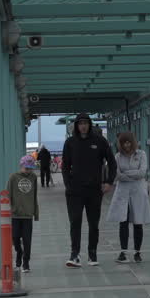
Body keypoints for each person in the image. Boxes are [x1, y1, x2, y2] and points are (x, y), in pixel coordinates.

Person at [61, 112, 117, 267]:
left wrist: (108, 182)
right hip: (75, 191)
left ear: (89, 125)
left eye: (85, 123)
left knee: (93, 224)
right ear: (76, 126)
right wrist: (68, 184)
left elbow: (112, 163)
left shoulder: (100, 141)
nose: (83, 126)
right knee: (75, 222)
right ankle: (75, 255)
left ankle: (92, 254)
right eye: (80, 123)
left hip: (94, 190)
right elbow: (65, 166)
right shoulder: (70, 143)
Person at [108, 131, 150, 263]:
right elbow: (117, 174)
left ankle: (137, 252)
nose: (127, 145)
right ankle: (123, 252)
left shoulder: (141, 154)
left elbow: (142, 173)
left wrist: (126, 173)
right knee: (123, 221)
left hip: (138, 192)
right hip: (122, 193)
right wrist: (133, 174)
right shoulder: (117, 156)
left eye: (128, 142)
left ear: (133, 142)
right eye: (124, 143)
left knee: (138, 222)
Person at [8, 154, 40, 273]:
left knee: (27, 240)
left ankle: (25, 263)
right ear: (21, 166)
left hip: (27, 214)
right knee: (15, 238)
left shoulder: (33, 177)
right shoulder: (13, 177)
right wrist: (10, 209)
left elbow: (34, 195)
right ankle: (19, 252)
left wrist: (36, 212)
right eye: (26, 168)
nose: (28, 171)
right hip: (15, 214)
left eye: (30, 168)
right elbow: (8, 194)